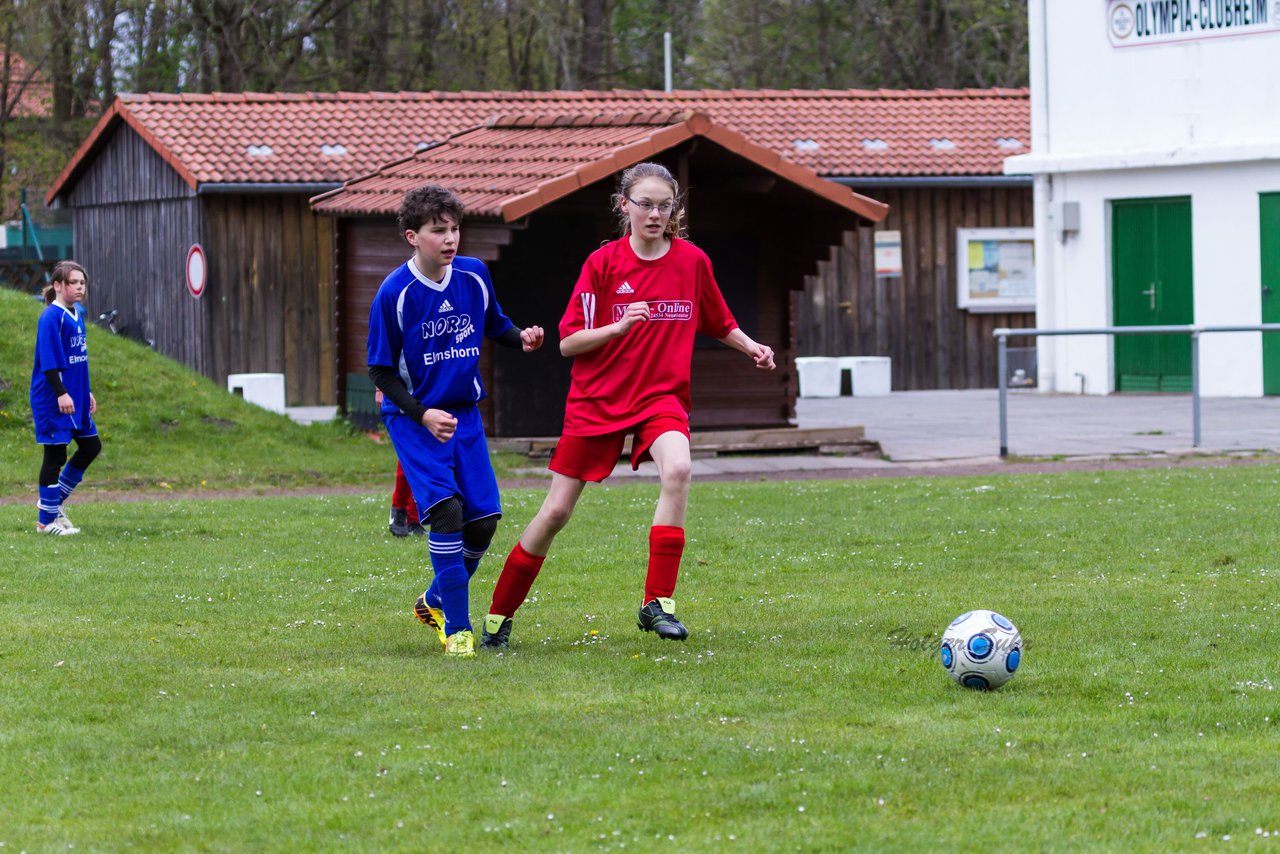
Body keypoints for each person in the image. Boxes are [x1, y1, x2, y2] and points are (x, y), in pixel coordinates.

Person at [480, 161, 776, 650]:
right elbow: (568, 343)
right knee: (555, 511)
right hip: (597, 400)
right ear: (625, 207)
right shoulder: (603, 265)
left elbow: (719, 321)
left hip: (660, 398)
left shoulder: (692, 262)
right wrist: (618, 328)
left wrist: (752, 348)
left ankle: (657, 604)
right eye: (645, 204)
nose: (655, 214)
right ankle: (498, 616)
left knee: (678, 468)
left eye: (665, 205)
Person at [367, 183, 544, 658]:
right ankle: (458, 628)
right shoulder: (394, 293)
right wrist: (422, 413)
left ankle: (434, 600)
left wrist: (520, 337)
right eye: (437, 231)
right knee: (447, 513)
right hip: (415, 419)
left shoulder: (474, 274)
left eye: (455, 229)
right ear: (412, 236)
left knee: (484, 519)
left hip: (464, 414)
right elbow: (380, 369)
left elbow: (494, 324)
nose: (450, 239)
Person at [29, 260, 102, 535]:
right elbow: (49, 363)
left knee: (91, 447)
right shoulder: (51, 317)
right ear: (58, 285)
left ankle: (52, 503)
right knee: (55, 454)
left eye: (82, 282)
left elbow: (77, 360)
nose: (79, 287)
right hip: (53, 398)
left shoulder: (76, 314)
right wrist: (61, 393)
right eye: (73, 282)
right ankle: (46, 522)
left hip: (76, 397)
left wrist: (86, 391)